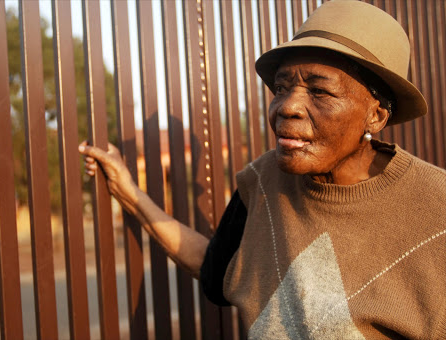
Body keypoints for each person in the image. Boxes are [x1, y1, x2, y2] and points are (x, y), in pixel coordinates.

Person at [79, 1, 446, 338]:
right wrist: (128, 191)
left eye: (319, 91)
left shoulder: (435, 208)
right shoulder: (263, 181)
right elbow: (216, 269)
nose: (287, 107)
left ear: (376, 115)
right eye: (282, 88)